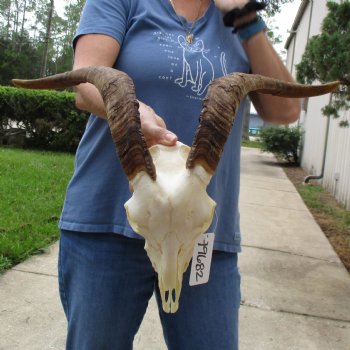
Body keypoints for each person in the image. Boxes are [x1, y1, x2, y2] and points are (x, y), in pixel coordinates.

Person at [58, 0, 300, 349]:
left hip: (201, 232)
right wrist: (132, 112)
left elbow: (286, 108)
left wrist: (245, 16)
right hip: (108, 227)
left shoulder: (239, 22)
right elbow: (86, 80)